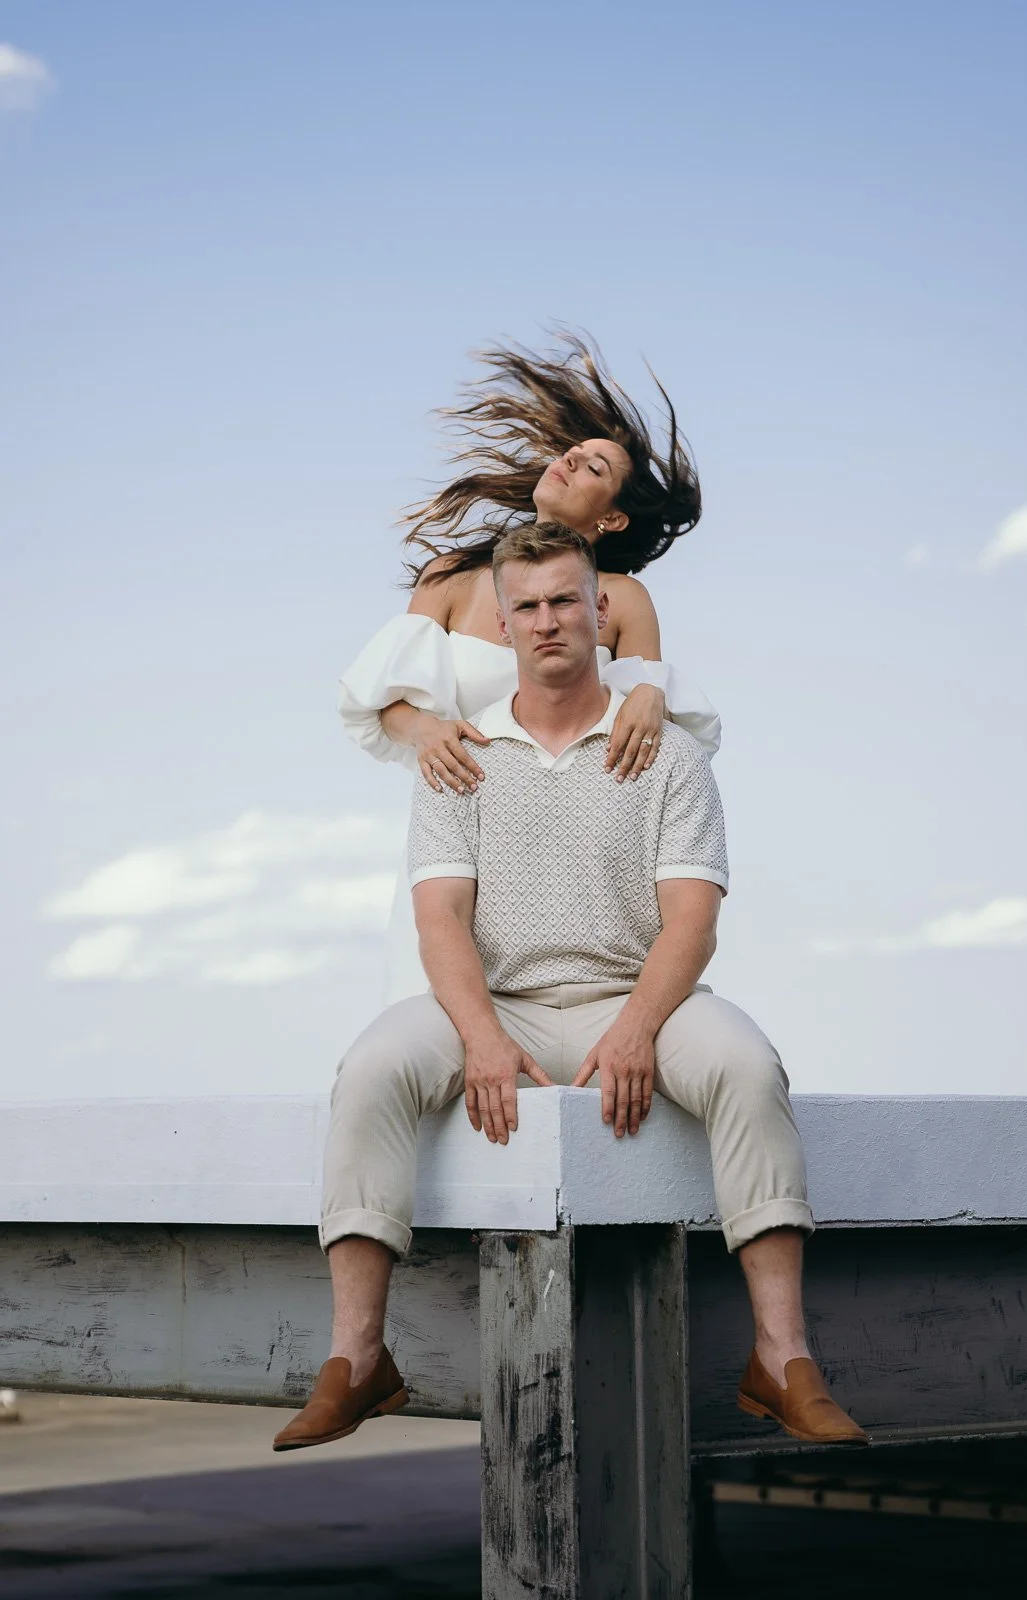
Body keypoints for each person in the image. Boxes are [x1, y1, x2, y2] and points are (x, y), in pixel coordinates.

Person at [274, 523, 867, 1452]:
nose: (548, 620)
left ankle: (783, 1359)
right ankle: (357, 1360)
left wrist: (637, 1031)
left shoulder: (666, 754)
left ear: (600, 612)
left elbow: (692, 921)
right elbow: (441, 924)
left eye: (565, 601)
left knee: (749, 1068)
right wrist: (480, 1038)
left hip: (637, 1000)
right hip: (497, 1003)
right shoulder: (458, 757)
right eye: (527, 607)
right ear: (502, 626)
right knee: (374, 1067)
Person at [337, 333, 721, 1006]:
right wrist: (427, 732)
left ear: (614, 517)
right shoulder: (451, 576)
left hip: (583, 875)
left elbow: (650, 721)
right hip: (461, 854)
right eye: (575, 451)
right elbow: (383, 705)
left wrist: (650, 696)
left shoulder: (623, 600)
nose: (572, 458)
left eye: (596, 468)